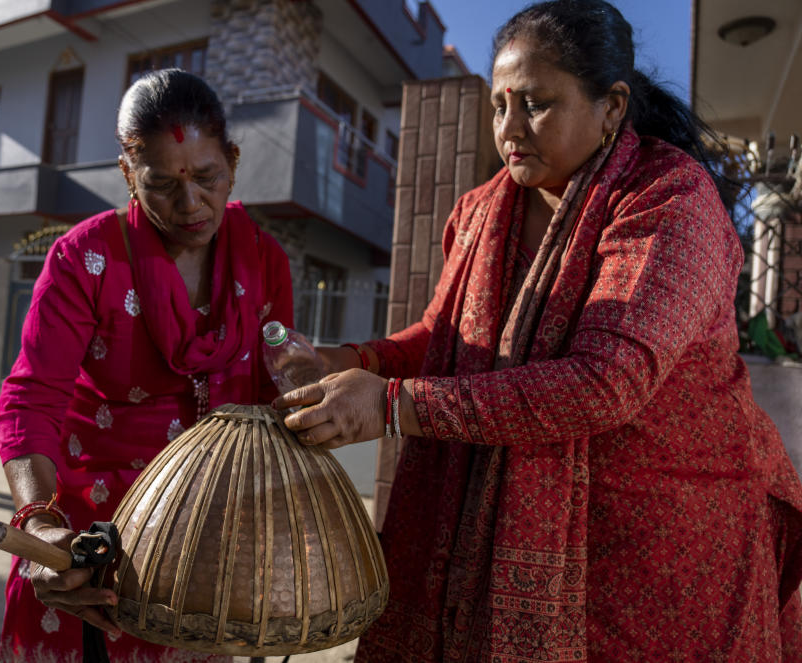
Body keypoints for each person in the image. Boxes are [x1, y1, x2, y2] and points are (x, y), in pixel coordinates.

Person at [275, 1, 802, 660]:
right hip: (489, 531)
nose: (510, 128)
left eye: (537, 104)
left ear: (611, 107)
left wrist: (391, 404)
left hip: (659, 542)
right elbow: (447, 340)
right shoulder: (480, 210)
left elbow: (604, 382)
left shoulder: (669, 202)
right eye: (500, 106)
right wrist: (346, 358)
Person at [0, 68, 293, 663]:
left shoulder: (263, 258)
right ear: (128, 175)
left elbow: (271, 400)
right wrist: (42, 527)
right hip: (90, 544)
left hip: (207, 546)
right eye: (160, 184)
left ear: (232, 159)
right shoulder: (85, 256)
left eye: (208, 177)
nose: (191, 204)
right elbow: (31, 400)